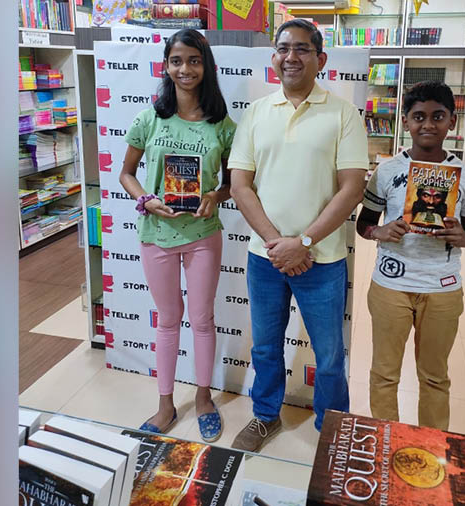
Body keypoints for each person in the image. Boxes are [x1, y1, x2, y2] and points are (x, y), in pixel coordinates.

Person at [227, 19, 368, 452]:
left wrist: (302, 243)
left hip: (321, 260)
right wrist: (278, 244)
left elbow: (352, 187)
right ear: (274, 57)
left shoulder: (343, 114)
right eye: (283, 48)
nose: (291, 56)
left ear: (320, 59)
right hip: (265, 259)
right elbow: (239, 185)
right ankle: (265, 416)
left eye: (302, 49)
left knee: (328, 358)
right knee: (266, 347)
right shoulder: (256, 113)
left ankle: (332, 425)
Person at [118, 29, 235, 442]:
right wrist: (145, 200)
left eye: (194, 60)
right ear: (166, 66)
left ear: (206, 66)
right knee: (169, 322)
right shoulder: (149, 117)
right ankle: (166, 404)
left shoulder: (221, 124)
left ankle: (203, 398)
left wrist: (215, 196)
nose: (185, 69)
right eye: (177, 61)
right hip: (157, 235)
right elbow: (126, 174)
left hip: (203, 234)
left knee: (202, 320)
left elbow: (234, 183)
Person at [356, 81, 465, 429]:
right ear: (406, 121)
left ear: (452, 122)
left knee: (434, 376)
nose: (428, 124)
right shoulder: (385, 171)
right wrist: (380, 231)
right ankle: (387, 439)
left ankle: (432, 443)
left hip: (442, 289)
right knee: (384, 373)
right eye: (419, 117)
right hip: (390, 286)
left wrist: (463, 237)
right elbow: (364, 223)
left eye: (438, 116)